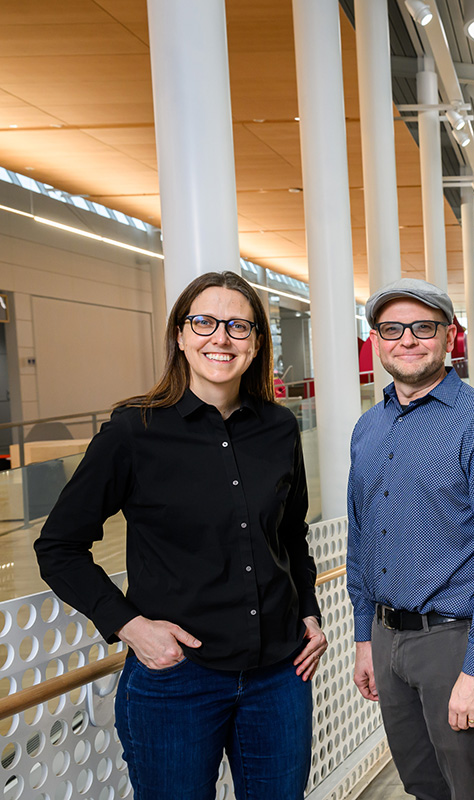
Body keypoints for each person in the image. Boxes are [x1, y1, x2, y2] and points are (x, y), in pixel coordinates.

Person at [35, 270, 326, 799]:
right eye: (205, 322)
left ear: (257, 342)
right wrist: (130, 626)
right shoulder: (133, 431)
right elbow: (58, 548)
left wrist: (308, 610)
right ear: (180, 335)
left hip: (278, 678)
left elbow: (291, 534)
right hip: (177, 680)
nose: (221, 338)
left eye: (239, 326)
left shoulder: (279, 428)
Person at [347, 277, 474, 800]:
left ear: (449, 338)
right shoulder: (367, 428)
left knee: (471, 787)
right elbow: (361, 540)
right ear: (377, 339)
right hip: (386, 638)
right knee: (422, 785)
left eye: (423, 327)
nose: (407, 340)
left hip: (453, 639)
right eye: (392, 329)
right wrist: (364, 638)